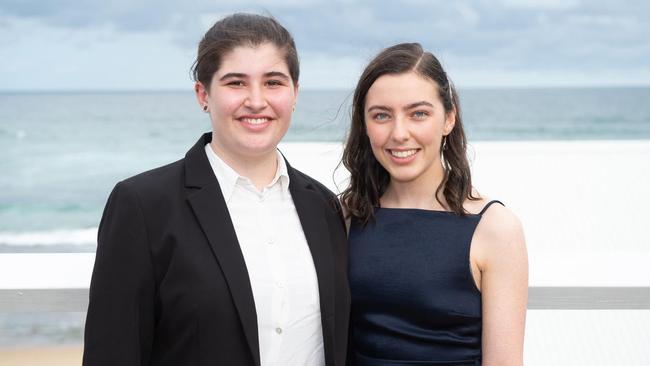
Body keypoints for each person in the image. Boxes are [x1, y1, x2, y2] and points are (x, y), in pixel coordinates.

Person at [83, 13, 349, 366]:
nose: (256, 100)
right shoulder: (143, 206)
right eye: (236, 83)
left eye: (273, 82)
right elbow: (113, 353)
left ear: (295, 93)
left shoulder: (325, 207)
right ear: (203, 94)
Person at [340, 43, 528, 366]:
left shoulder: (494, 229)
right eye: (382, 115)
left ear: (449, 119)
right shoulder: (346, 217)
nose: (399, 133)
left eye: (419, 114)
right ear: (364, 124)